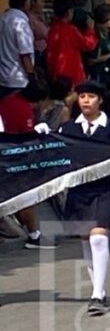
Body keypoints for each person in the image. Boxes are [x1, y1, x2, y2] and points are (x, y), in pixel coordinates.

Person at [58, 80, 110, 316]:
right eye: (82, 97)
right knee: (85, 239)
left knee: (98, 238)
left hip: (106, 189)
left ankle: (98, 295)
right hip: (79, 191)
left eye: (91, 96)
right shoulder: (68, 129)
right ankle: (97, 288)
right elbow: (58, 158)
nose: (86, 101)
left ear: (100, 100)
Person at [0, 77, 58, 248]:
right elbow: (27, 138)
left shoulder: (11, 99)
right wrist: (37, 131)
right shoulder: (23, 110)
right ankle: (34, 235)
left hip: (8, 153)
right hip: (12, 157)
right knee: (25, 195)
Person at [46, 0, 99, 87]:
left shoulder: (52, 30)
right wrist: (90, 30)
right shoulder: (70, 29)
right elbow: (88, 44)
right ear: (69, 12)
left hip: (55, 74)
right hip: (72, 74)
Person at [0, 0, 36, 98]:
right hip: (19, 79)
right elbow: (25, 53)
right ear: (25, 2)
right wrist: (31, 75)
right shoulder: (21, 23)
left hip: (3, 76)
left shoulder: (3, 19)